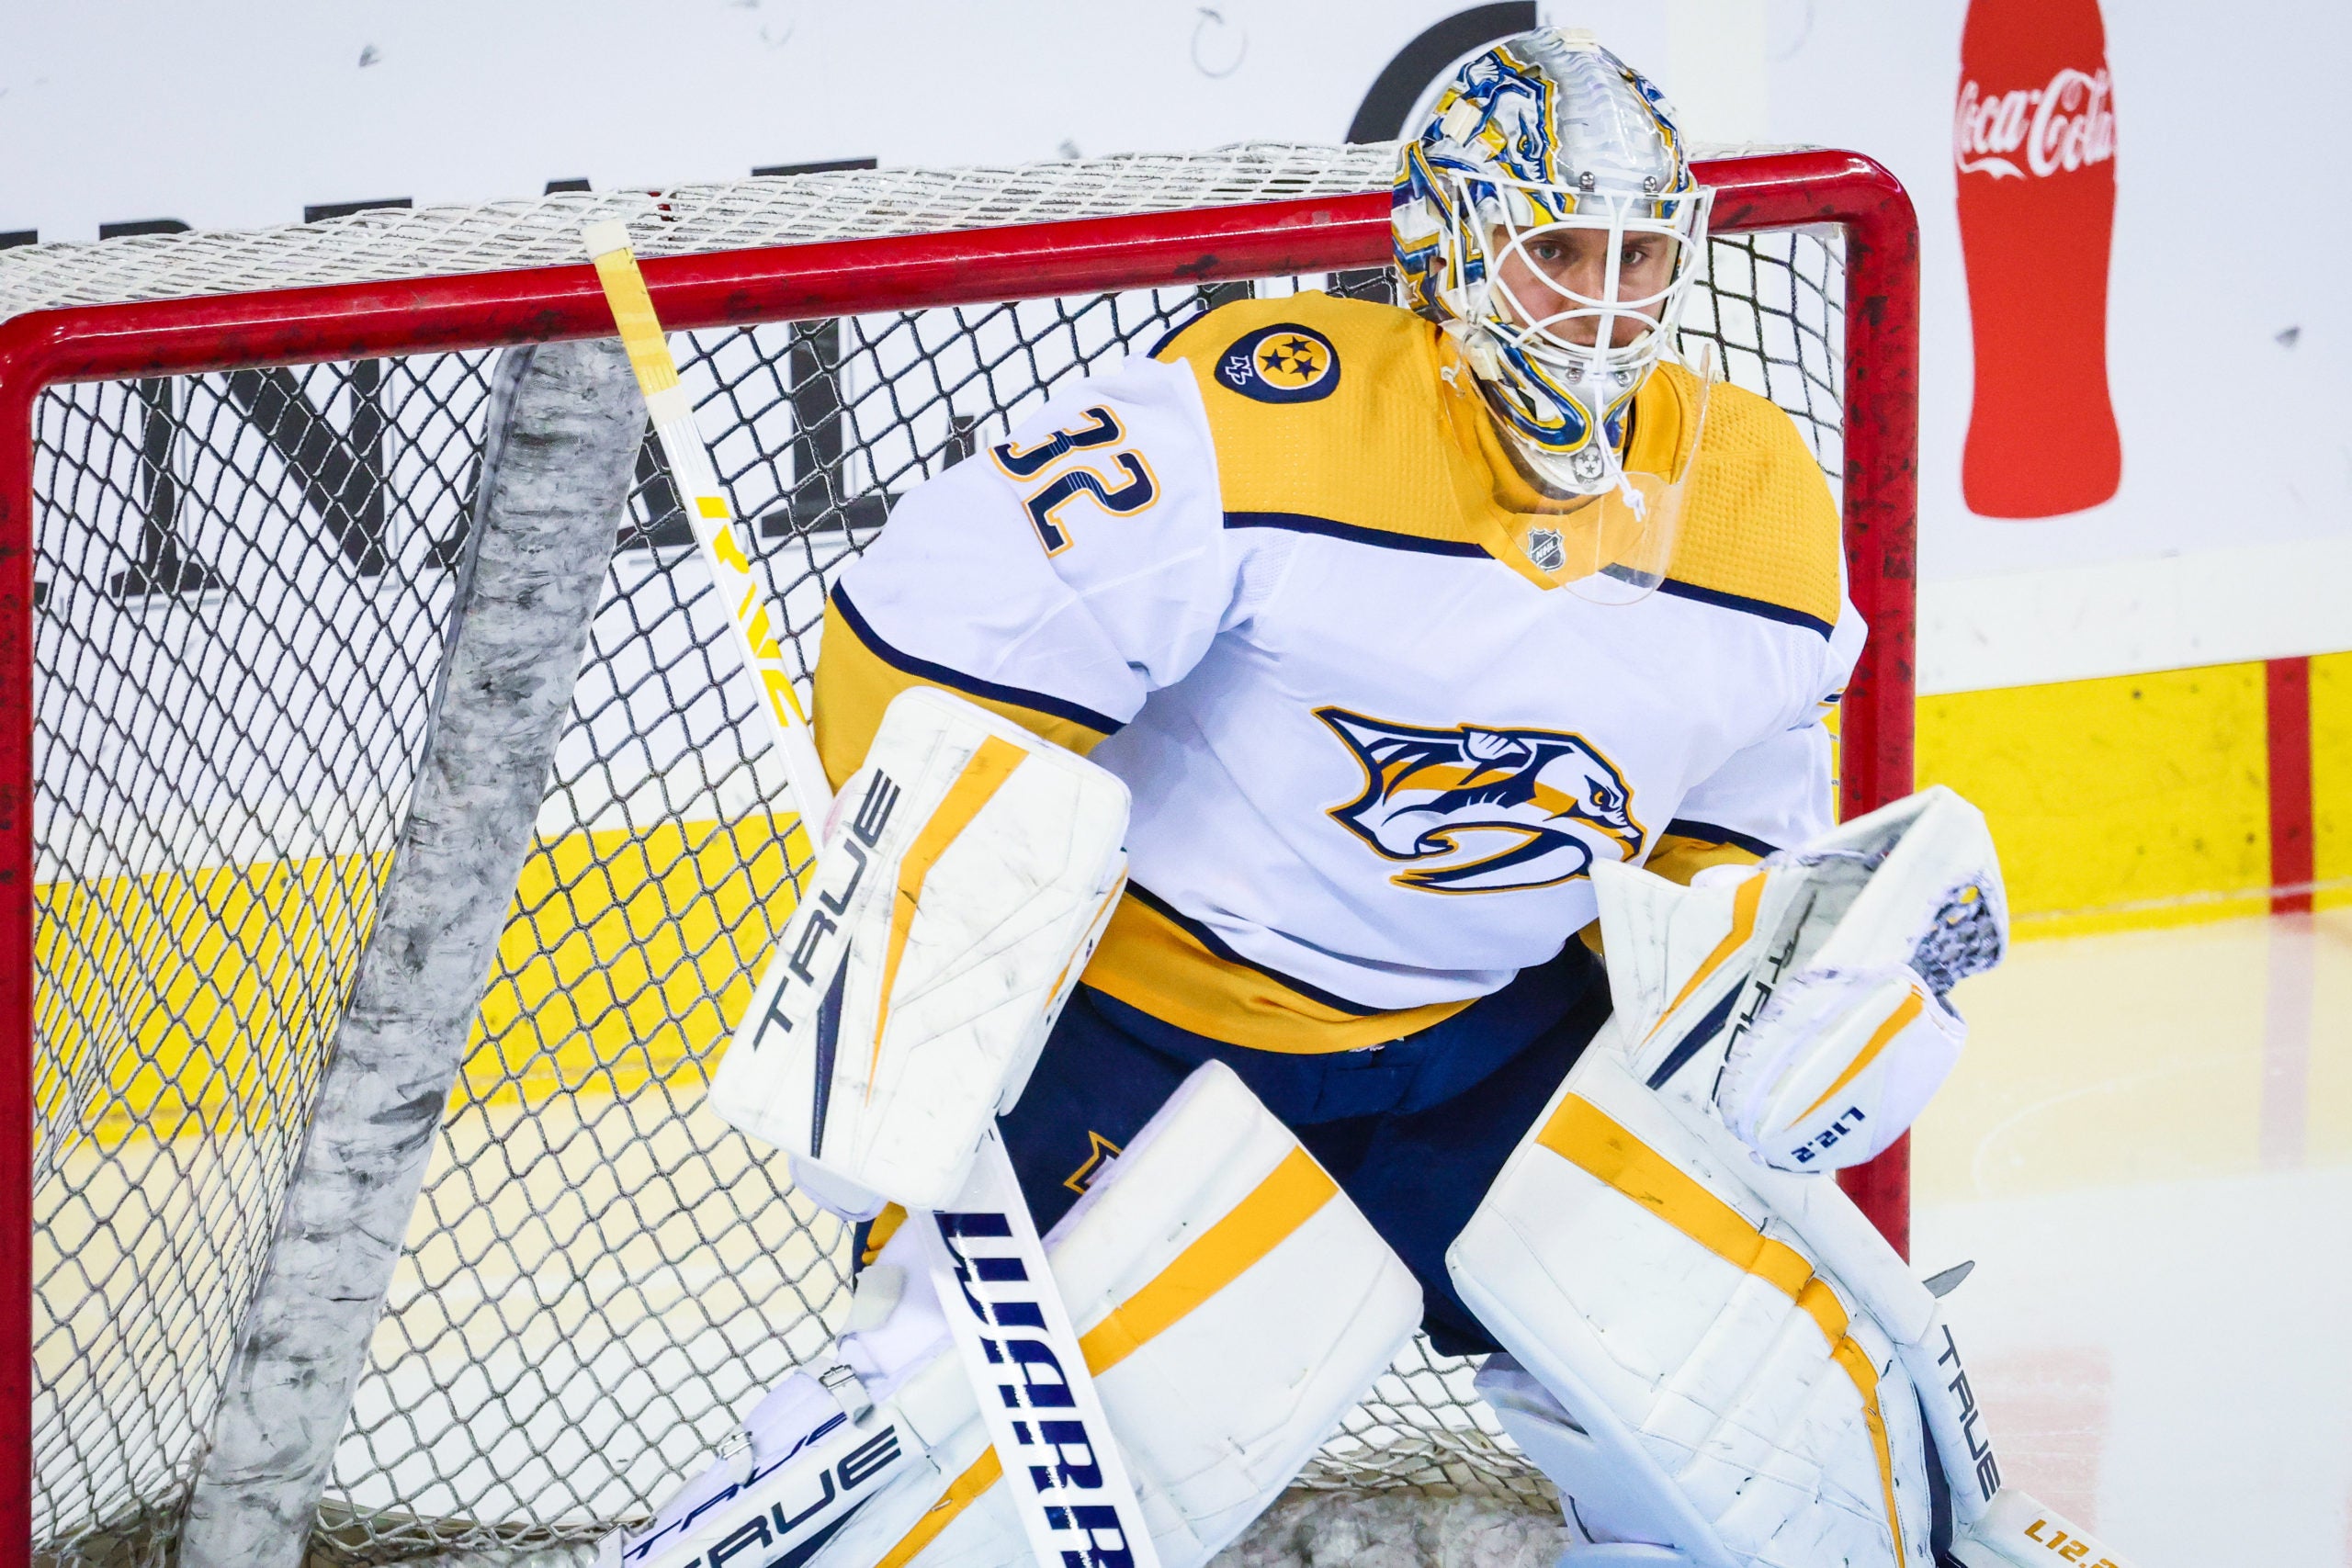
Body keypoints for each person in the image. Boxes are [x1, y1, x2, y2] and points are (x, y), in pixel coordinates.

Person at [616, 28, 2137, 1568]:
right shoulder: (1274, 418)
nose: (1605, 302)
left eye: (1639, 253)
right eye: (1557, 251)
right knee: (935, 1507)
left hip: (1484, 1044)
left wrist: (1779, 984)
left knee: (1812, 1474)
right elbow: (942, 637)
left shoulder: (1753, 505)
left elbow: (1722, 809)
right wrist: (921, 967)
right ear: (1445, 254)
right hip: (1142, 1043)